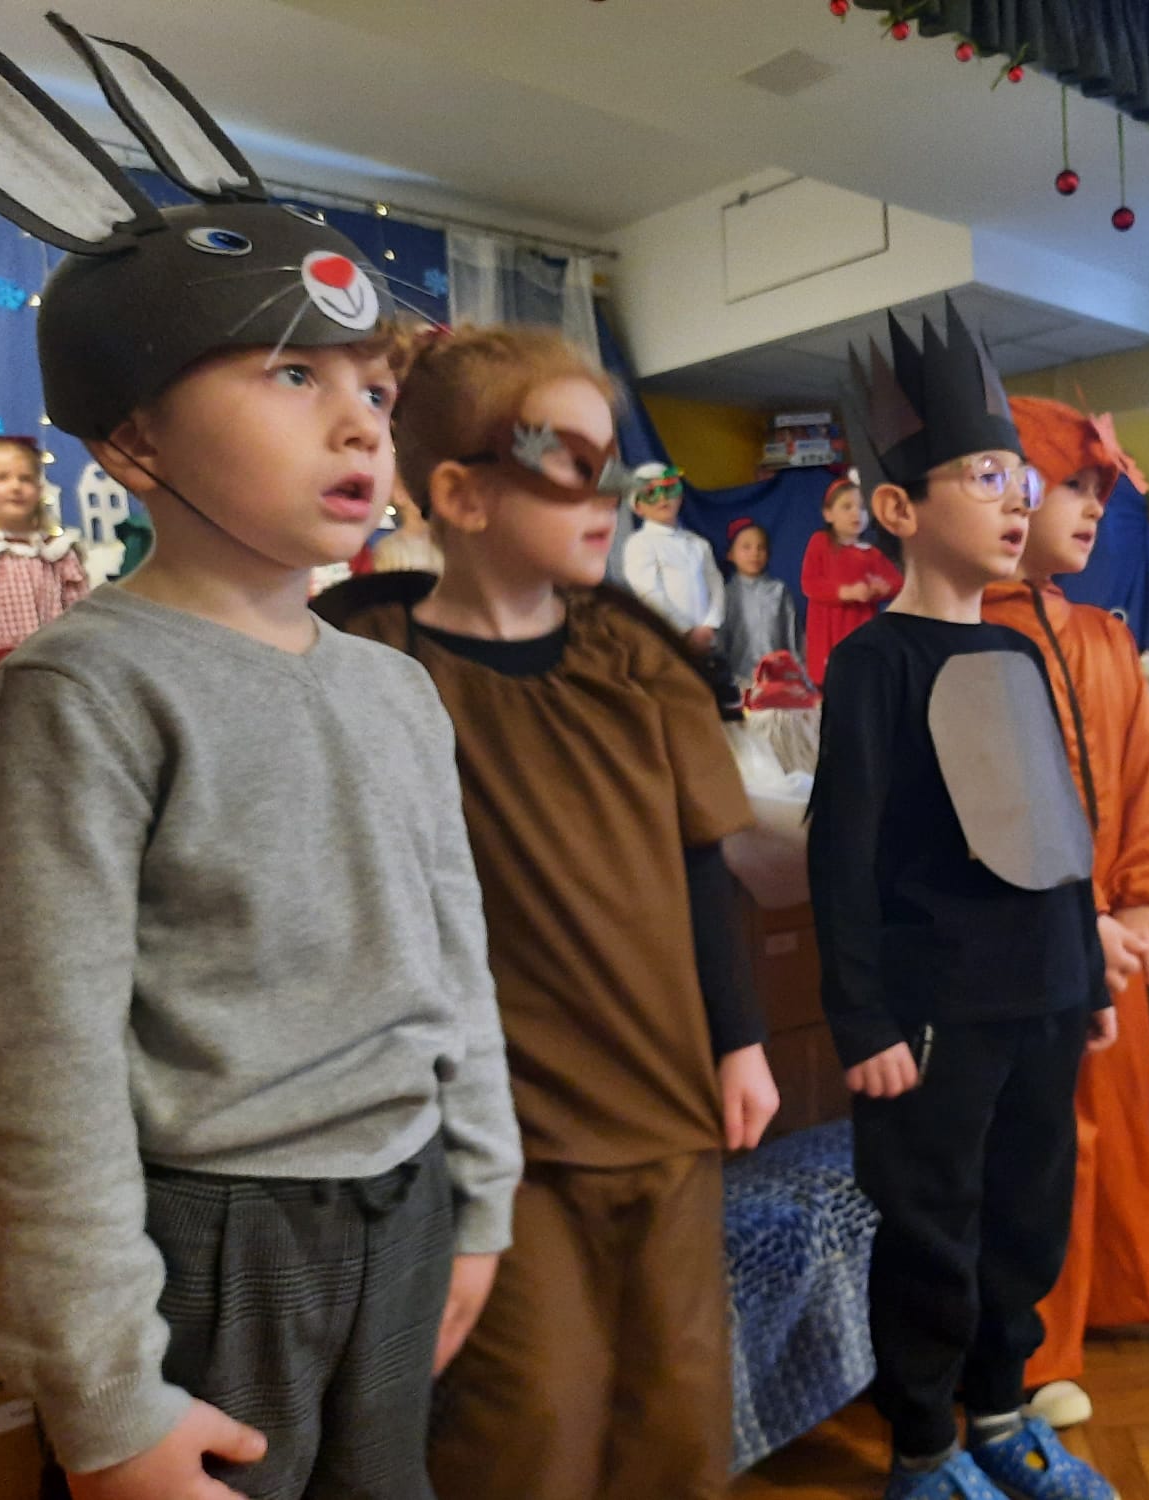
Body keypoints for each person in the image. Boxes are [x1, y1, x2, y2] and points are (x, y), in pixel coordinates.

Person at [0, 15, 521, 1498]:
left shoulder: (396, 689)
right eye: (288, 376)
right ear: (132, 440)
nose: (359, 424)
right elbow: (47, 1065)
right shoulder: (82, 688)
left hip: (408, 1203)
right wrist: (107, 1402)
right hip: (217, 1240)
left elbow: (453, 958)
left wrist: (481, 1198)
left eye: (374, 391)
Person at [318, 324, 776, 1498]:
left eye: (607, 463)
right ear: (462, 495)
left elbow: (699, 862)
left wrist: (739, 1038)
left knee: (679, 1402)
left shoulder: (638, 660)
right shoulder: (371, 660)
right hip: (496, 1134)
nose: (606, 494)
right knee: (533, 1419)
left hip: (663, 1100)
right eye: (566, 463)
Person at [810, 302, 1117, 1500]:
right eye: (984, 478)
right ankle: (924, 1446)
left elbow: (1055, 828)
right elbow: (842, 856)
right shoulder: (871, 664)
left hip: (1043, 994)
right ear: (897, 508)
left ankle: (999, 1412)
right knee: (930, 1229)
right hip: (935, 1012)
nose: (1014, 501)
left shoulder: (1017, 653)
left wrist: (1085, 975)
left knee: (1025, 1219)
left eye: (1017, 479)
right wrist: (862, 1020)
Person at [985, 397, 1149, 1434]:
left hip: (1112, 938)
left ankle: (1137, 1280)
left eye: (1099, 491)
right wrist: (1084, 912)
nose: (1093, 509)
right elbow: (997, 806)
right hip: (1026, 941)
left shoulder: (1102, 635)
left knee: (1123, 1112)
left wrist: (1138, 897)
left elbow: (1142, 781)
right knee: (1044, 1138)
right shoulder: (965, 640)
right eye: (1072, 488)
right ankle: (1033, 1338)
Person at [0, 435, 87, 709]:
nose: (16, 487)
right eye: (1, 478)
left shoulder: (54, 551)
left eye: (26, 479)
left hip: (49, 676)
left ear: (39, 489)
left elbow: (78, 613)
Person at [801, 470, 902, 682]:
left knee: (861, 679)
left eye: (862, 508)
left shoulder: (871, 553)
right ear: (828, 514)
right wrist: (845, 592)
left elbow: (897, 583)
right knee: (831, 681)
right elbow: (810, 584)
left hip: (861, 630)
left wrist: (882, 588)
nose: (856, 513)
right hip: (827, 632)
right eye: (847, 507)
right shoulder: (820, 542)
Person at [622, 461, 724, 652]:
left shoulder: (698, 543)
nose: (662, 498)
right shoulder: (640, 543)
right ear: (638, 507)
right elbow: (649, 593)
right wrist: (686, 630)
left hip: (706, 639)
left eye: (668, 490)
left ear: (680, 497)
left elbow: (715, 584)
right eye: (651, 493)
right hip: (667, 640)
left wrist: (710, 624)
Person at [719, 516, 805, 686]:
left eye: (761, 547)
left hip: (778, 679)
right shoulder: (725, 594)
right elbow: (721, 641)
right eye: (746, 547)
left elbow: (792, 636)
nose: (754, 553)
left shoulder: (779, 591)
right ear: (731, 554)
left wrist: (796, 672)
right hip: (739, 680)